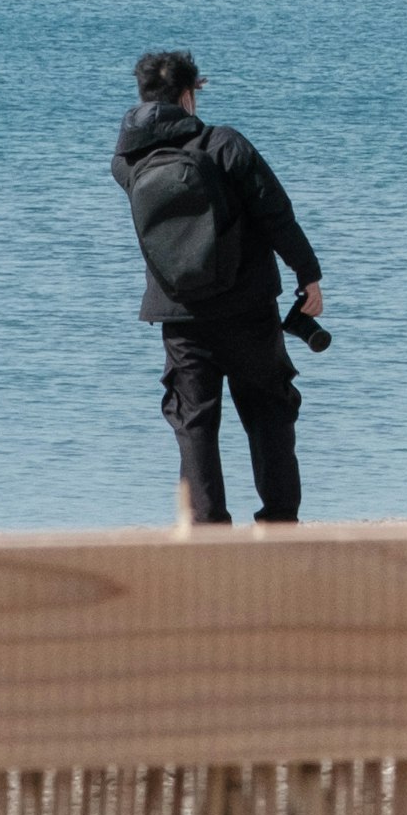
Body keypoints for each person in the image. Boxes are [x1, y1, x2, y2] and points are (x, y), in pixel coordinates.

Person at [110, 46, 325, 527]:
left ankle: (208, 532)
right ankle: (278, 522)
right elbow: (276, 213)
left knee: (194, 423)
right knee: (269, 410)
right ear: (188, 97)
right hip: (247, 308)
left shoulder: (128, 165)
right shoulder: (224, 144)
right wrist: (307, 274)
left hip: (178, 313)